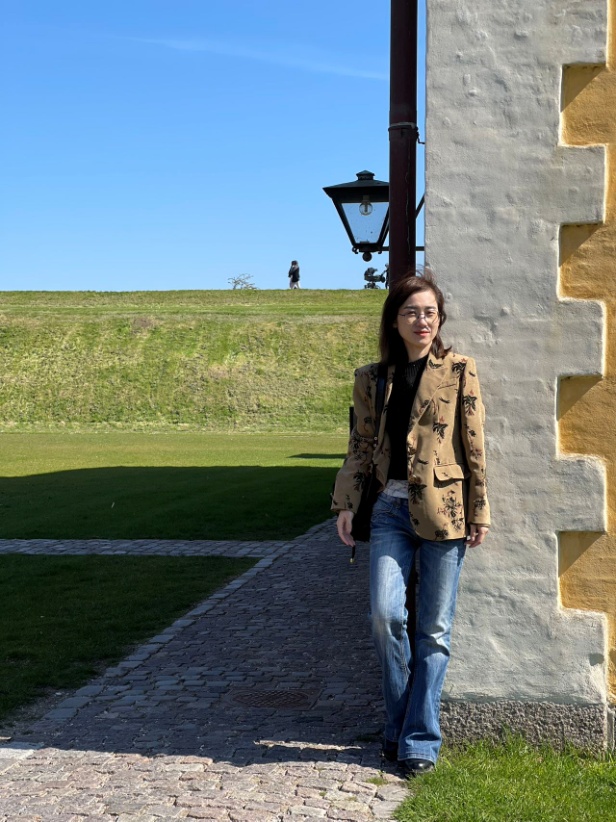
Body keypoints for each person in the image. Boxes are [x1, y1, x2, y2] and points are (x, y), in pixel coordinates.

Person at [331, 271, 490, 777]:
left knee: (434, 631)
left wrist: (479, 509)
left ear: (439, 319)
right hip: (389, 510)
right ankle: (400, 723)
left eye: (429, 312)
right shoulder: (371, 378)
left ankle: (418, 738)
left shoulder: (459, 370)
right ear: (394, 320)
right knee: (385, 617)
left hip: (446, 509)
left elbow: (474, 443)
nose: (422, 320)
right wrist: (346, 503)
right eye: (411, 312)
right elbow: (360, 446)